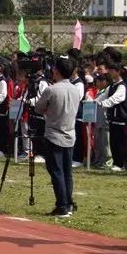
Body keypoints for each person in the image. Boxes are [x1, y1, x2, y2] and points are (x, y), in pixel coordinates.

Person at [35, 57, 84, 217]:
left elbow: (39, 107)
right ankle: (68, 202)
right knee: (67, 171)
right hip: (70, 134)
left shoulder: (52, 89)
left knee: (56, 171)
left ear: (57, 71)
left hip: (54, 134)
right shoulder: (75, 89)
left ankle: (62, 204)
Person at [97, 62, 127, 172]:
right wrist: (94, 102)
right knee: (113, 142)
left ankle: (120, 164)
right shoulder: (112, 86)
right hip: (112, 117)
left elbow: (115, 99)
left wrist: (103, 104)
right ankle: (116, 163)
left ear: (118, 72)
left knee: (118, 142)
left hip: (120, 117)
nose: (109, 72)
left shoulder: (122, 86)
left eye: (111, 70)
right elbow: (102, 96)